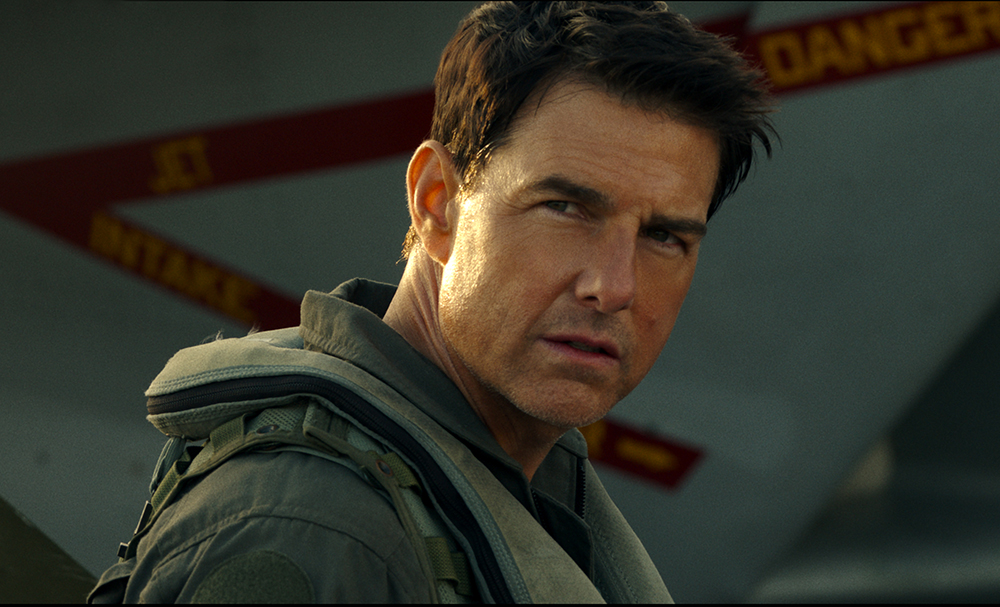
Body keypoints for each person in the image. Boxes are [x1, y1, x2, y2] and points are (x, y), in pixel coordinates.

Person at [89, 1, 776, 603]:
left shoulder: (516, 485)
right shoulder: (322, 534)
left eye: (663, 236)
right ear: (438, 204)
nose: (615, 286)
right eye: (564, 207)